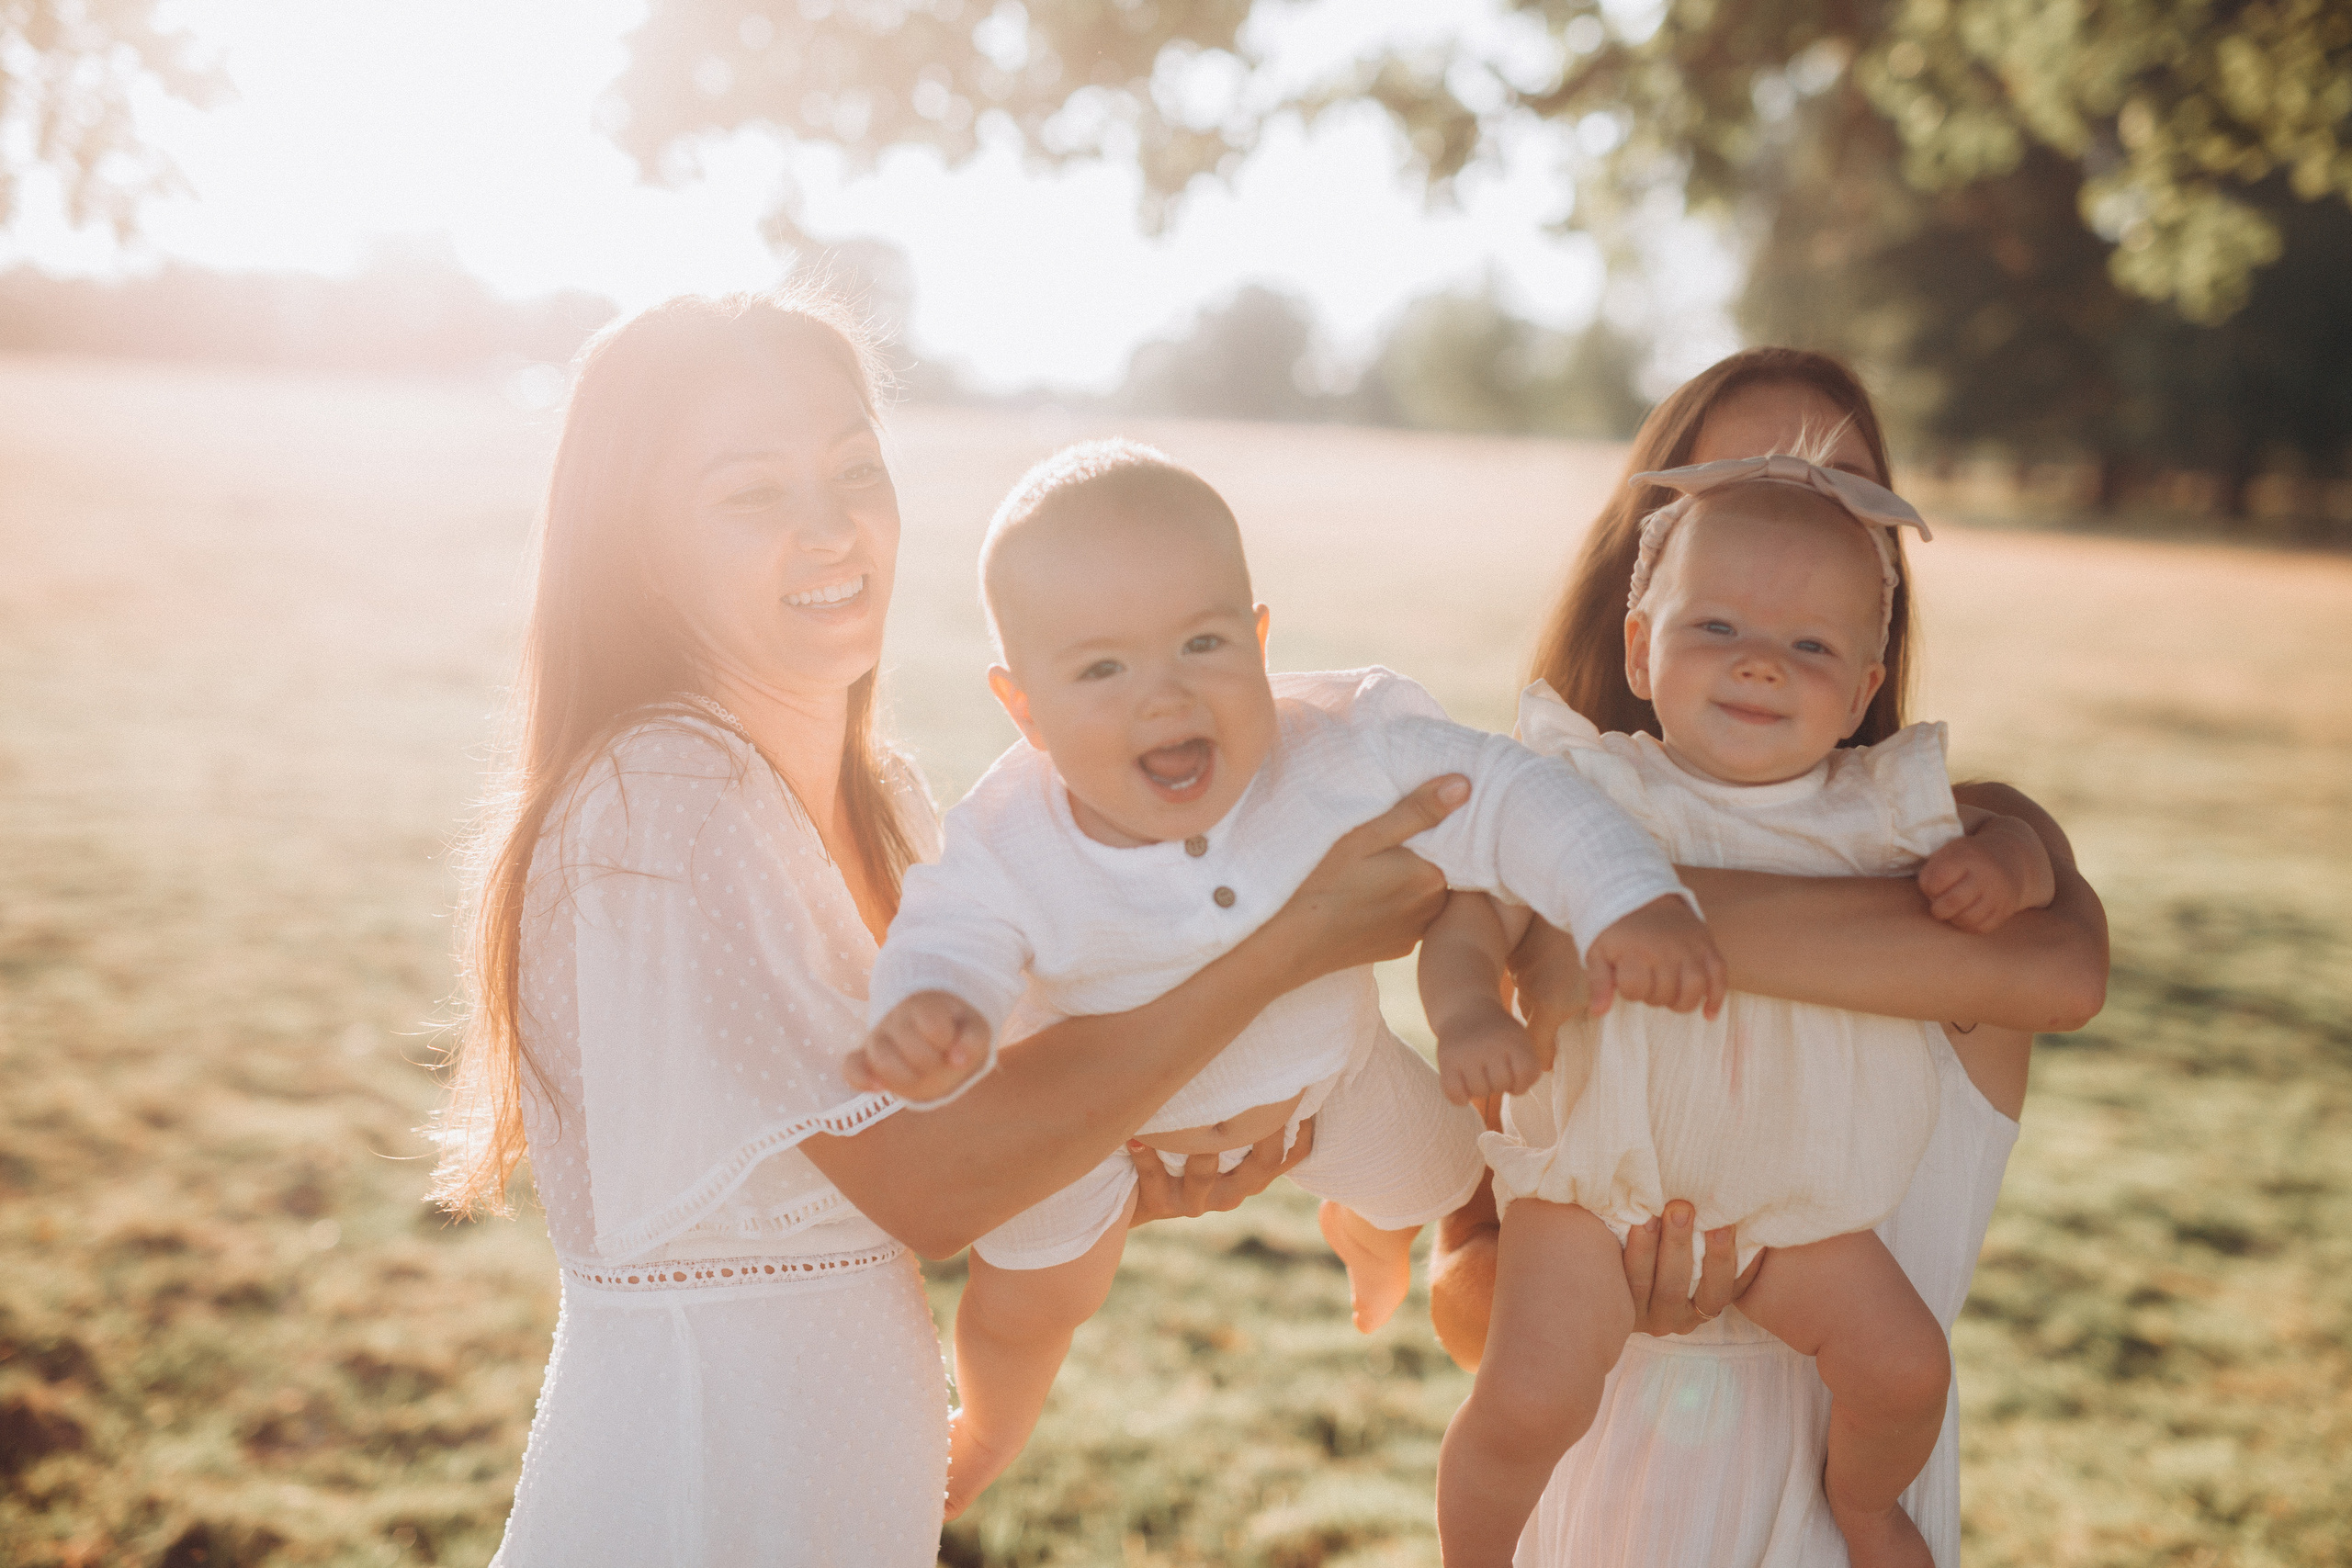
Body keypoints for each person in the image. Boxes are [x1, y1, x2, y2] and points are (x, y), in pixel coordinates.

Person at [426, 291, 1472, 1567]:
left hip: (831, 1481)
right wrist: (1288, 945)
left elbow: (968, 1153)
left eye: (854, 466)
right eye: (752, 491)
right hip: (701, 1481)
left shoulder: (891, 798)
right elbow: (931, 1183)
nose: (831, 525)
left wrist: (1147, 1171)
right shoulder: (667, 795)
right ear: (638, 545)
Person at [844, 439, 1721, 1517]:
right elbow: (951, 936)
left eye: (1201, 644)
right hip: (1100, 1125)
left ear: (1260, 641)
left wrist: (1627, 897)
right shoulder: (1010, 837)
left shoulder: (1343, 749)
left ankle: (1367, 1224)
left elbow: (1510, 795)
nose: (1162, 698)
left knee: (1451, 1174)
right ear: (1022, 707)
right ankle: (983, 1431)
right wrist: (935, 1011)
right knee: (1034, 1298)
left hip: (1330, 1083)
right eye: (1101, 669)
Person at [1426, 346, 2109, 1568]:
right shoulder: (1560, 800)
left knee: (1905, 1372)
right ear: (1645, 599)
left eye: (1839, 492)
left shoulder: (1934, 827)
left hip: (1826, 1470)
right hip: (1597, 1483)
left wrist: (1613, 918)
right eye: (1742, 481)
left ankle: (1867, 1503)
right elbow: (1464, 1289)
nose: (1788, 514)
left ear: (1874, 627)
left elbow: (2057, 971)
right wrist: (1614, 1292)